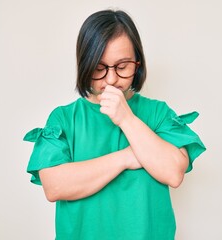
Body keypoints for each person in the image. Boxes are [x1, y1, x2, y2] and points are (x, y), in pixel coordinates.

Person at [24, 9, 206, 240]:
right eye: (99, 68)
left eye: (122, 67)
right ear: (85, 65)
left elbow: (173, 173)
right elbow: (55, 187)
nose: (111, 79)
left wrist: (126, 119)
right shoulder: (63, 118)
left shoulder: (158, 113)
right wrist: (128, 157)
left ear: (137, 64)